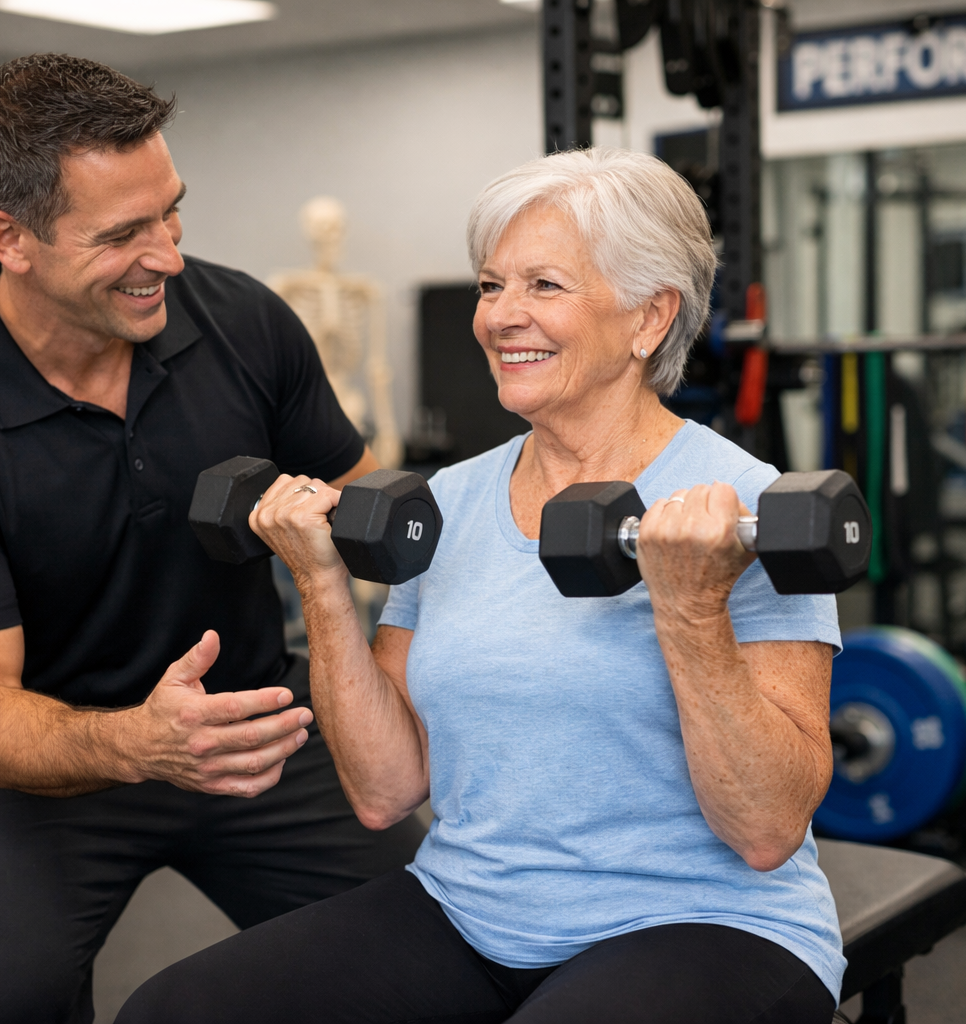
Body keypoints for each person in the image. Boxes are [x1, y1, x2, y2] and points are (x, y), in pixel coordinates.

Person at [118, 148, 845, 1024]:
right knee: (176, 1011)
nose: (502, 316)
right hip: (470, 911)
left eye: (544, 286)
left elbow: (766, 829)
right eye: (491, 285)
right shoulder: (448, 503)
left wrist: (689, 606)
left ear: (650, 317)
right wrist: (319, 581)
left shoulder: (741, 509)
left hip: (706, 919)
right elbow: (386, 792)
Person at [0, 54, 421, 1023]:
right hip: (50, 759)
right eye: (123, 233)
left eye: (171, 211)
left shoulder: (241, 320)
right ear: (9, 238)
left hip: (255, 724)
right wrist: (142, 743)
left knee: (435, 950)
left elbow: (364, 503)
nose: (166, 253)